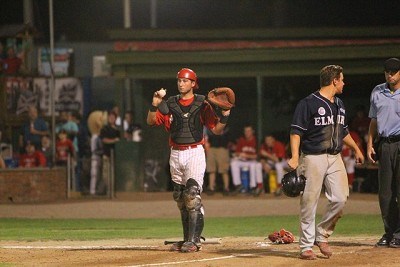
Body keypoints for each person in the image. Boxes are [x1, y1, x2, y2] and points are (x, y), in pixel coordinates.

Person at [146, 68, 230, 253]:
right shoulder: (170, 103)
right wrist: (154, 104)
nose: (181, 83)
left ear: (193, 83)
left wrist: (224, 115)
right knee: (180, 197)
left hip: (194, 152)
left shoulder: (202, 103)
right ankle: (187, 239)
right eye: (179, 80)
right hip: (175, 153)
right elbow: (151, 121)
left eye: (185, 80)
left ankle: (194, 241)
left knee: (192, 195)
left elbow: (216, 129)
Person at [287, 65, 364, 260]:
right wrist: (295, 156)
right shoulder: (308, 103)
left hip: (335, 157)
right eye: (342, 79)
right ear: (334, 81)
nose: (344, 83)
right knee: (309, 202)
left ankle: (321, 235)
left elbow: (343, 131)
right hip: (313, 157)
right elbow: (296, 132)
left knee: (340, 197)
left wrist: (356, 149)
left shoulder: (340, 103)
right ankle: (305, 246)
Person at [367, 57, 400, 249]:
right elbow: (374, 120)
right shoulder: (377, 91)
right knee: (385, 193)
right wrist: (370, 143)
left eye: (394, 71)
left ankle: (398, 234)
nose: (390, 74)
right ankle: (389, 232)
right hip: (385, 144)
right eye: (387, 71)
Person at [230, 125, 263, 196]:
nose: (247, 133)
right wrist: (240, 154)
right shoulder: (241, 140)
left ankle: (253, 187)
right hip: (243, 161)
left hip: (252, 161)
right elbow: (237, 152)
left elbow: (257, 156)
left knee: (254, 165)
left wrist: (247, 155)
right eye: (246, 131)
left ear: (252, 132)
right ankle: (238, 184)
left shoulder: (256, 140)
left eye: (249, 131)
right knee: (233, 163)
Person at [204, 127, 231, 196]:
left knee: (224, 170)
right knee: (211, 169)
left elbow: (228, 138)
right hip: (211, 148)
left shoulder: (226, 126)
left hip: (222, 148)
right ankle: (211, 187)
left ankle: (226, 188)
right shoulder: (210, 125)